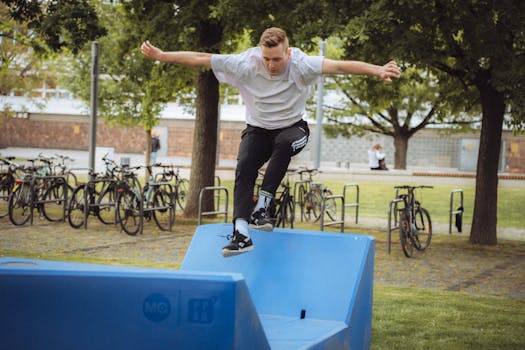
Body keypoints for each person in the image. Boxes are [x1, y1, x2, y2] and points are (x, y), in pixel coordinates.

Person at [141, 27, 401, 257]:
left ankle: (263, 205)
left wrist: (376, 70)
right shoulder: (245, 63)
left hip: (293, 128)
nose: (271, 65)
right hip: (257, 129)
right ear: (259, 53)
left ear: (287, 54)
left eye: (277, 59)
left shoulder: (302, 64)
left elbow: (340, 66)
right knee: (244, 166)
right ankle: (241, 233)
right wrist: (162, 56)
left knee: (285, 143)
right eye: (266, 59)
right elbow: (201, 58)